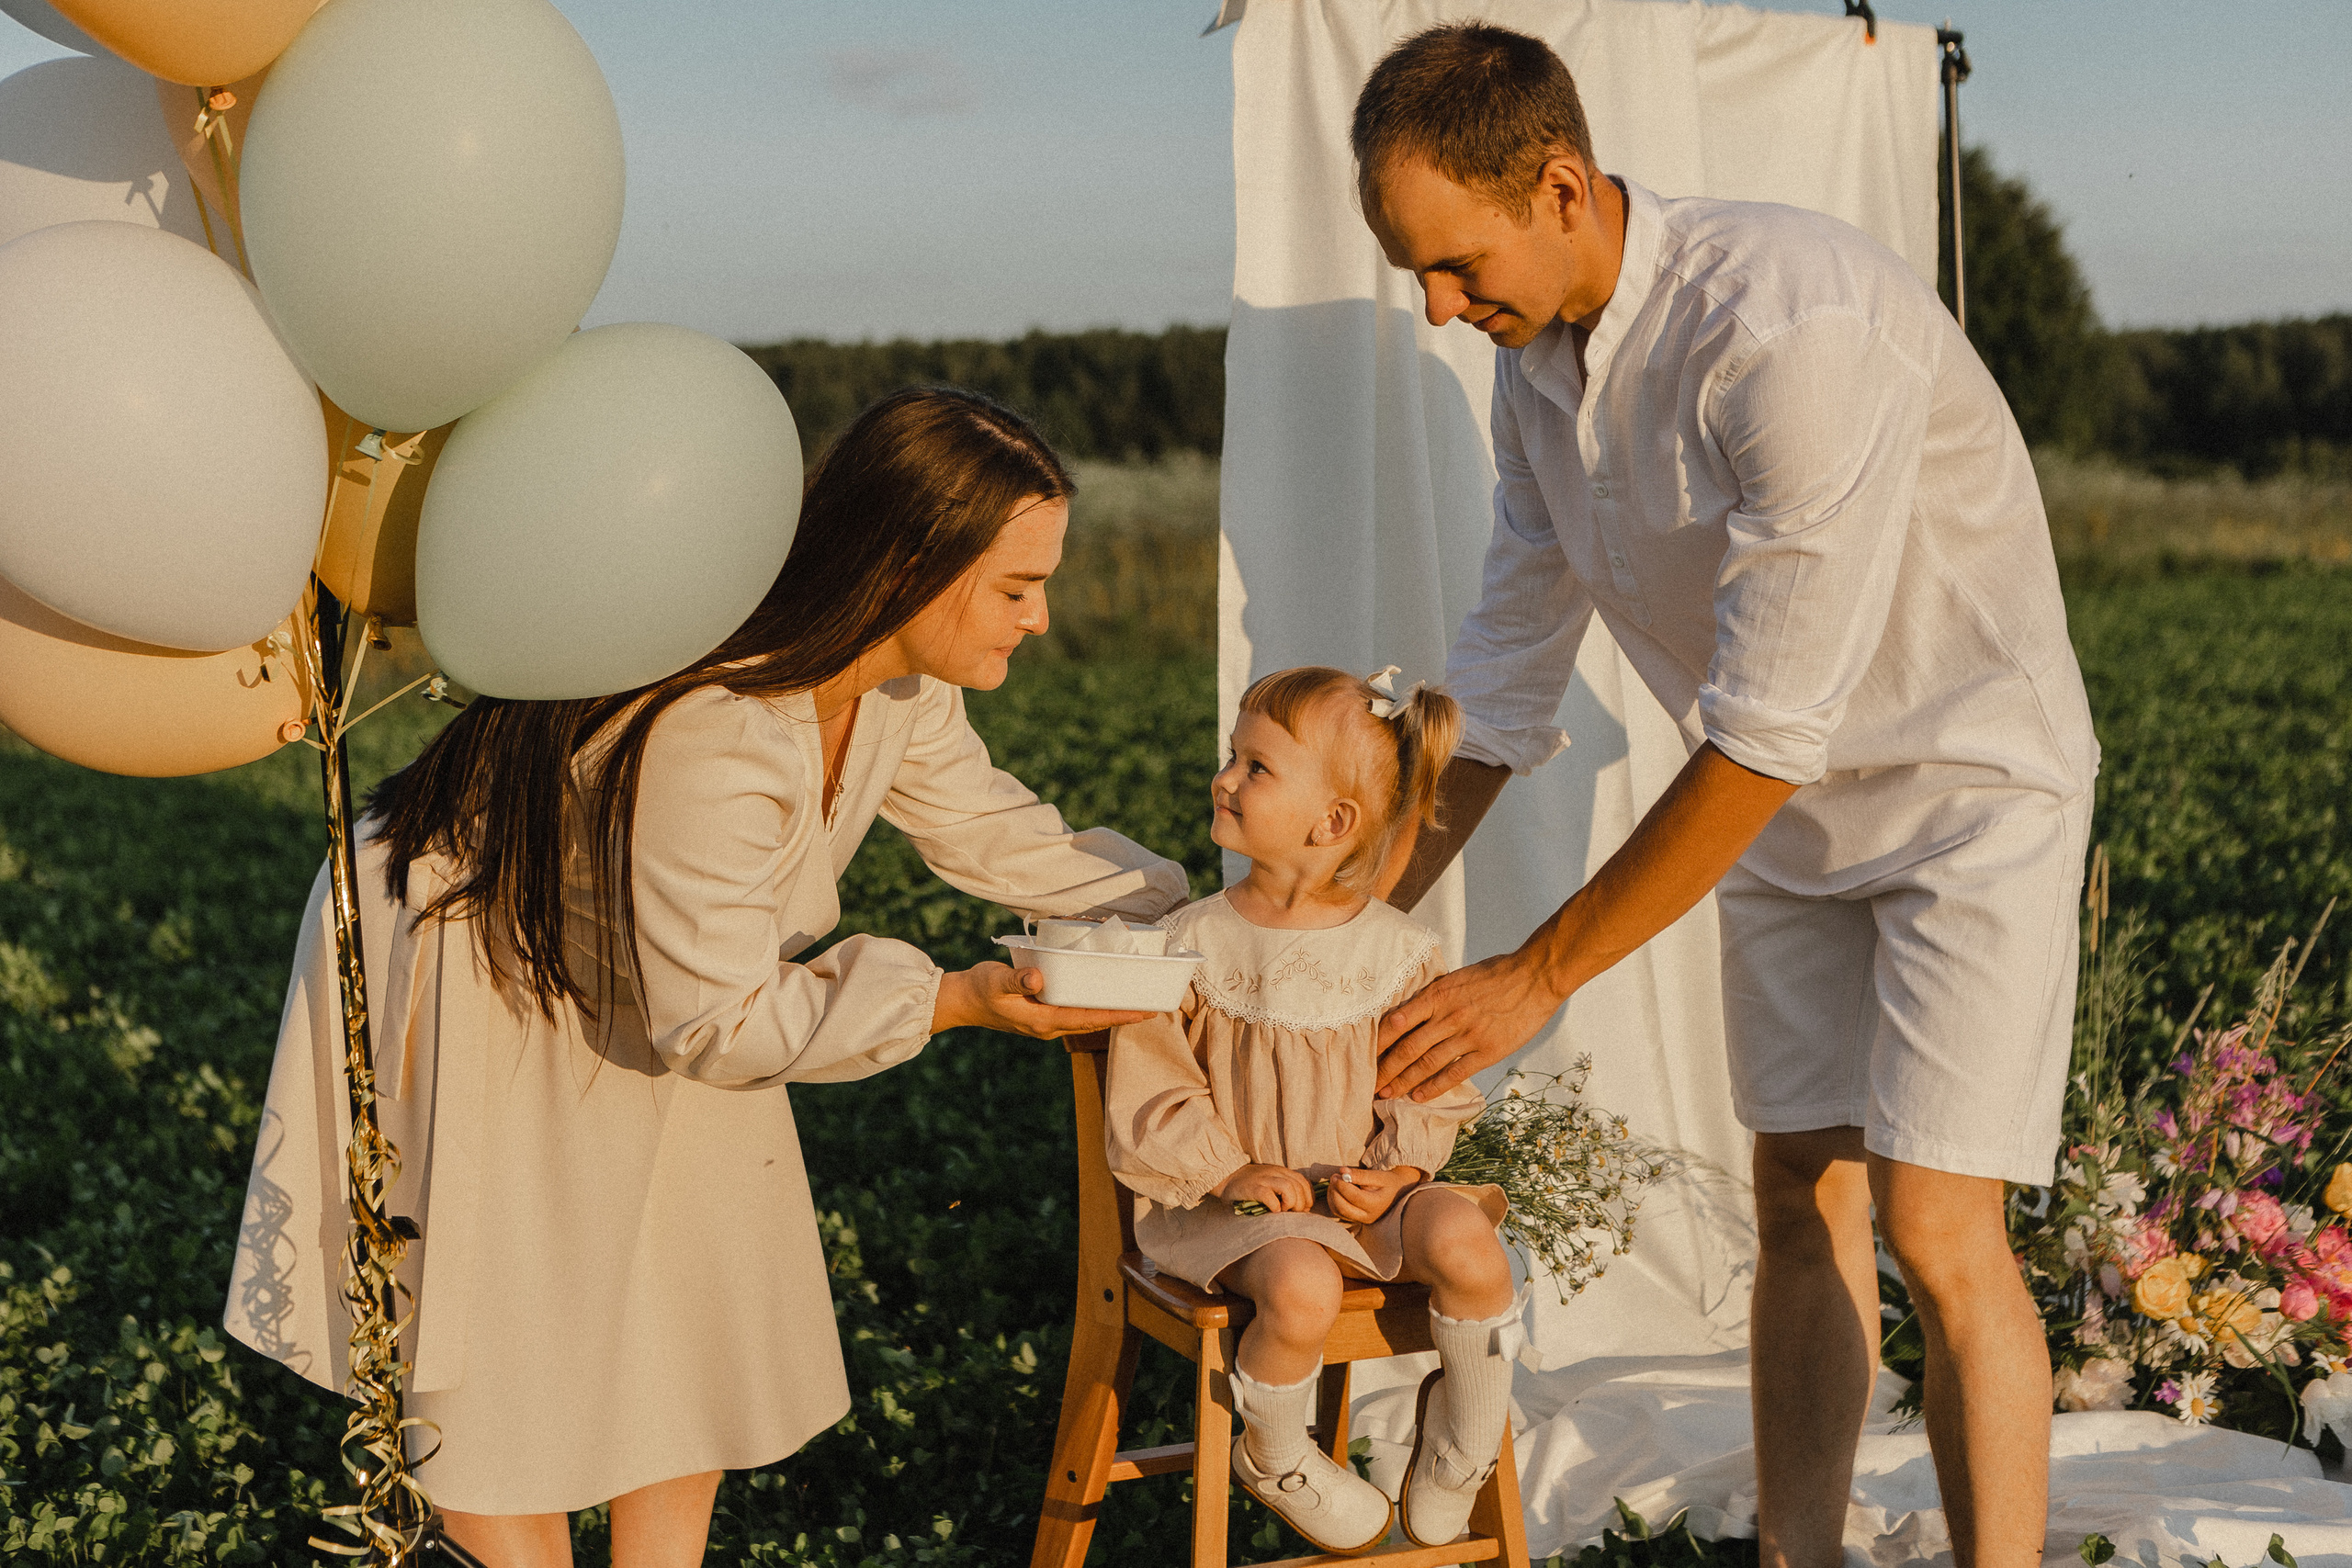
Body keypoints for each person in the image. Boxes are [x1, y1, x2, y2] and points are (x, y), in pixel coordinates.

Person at [1347, 26, 2098, 1568]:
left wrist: (1530, 976)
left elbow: (1766, 728)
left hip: (1967, 797)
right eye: (1413, 271)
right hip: (1773, 810)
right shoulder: (1531, 372)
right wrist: (1341, 911)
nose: (1437, 306)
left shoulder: (1784, 326)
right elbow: (1497, 686)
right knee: (1792, 1189)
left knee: (1938, 1224)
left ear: (1561, 185)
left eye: (1455, 265)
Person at [223, 388, 1192, 1566]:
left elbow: (998, 833)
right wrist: (954, 999)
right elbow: (720, 1018)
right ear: (907, 571)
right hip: (478, 949)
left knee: (687, 1273)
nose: (1039, 620)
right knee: (506, 1322)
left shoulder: (898, 690)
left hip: (659, 973)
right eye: (1015, 588)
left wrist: (1211, 927)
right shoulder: (719, 727)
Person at [1103, 664, 1517, 1554]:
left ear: (1331, 823)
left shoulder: (1397, 951)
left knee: (1469, 1243)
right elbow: (1154, 1085)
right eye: (1232, 758)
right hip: (1232, 1209)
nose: (1226, 779)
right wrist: (1230, 1168)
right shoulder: (1191, 944)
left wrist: (1399, 1171)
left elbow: (1423, 1079)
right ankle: (1276, 1454)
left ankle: (1460, 1446)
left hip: (1359, 1207)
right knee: (1303, 1284)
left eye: (1256, 768)